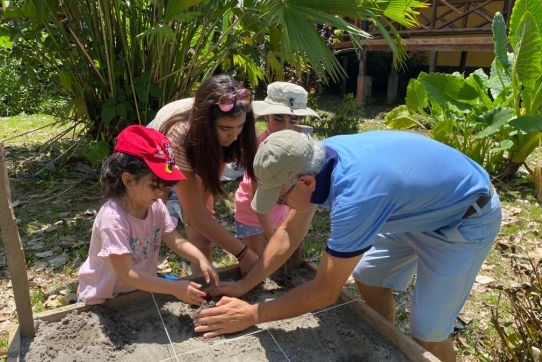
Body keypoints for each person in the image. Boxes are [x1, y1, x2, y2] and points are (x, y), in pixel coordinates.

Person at [193, 130, 502, 362]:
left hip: (463, 219)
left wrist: (252, 314)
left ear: (305, 183)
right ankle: (387, 346)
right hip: (410, 207)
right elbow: (289, 231)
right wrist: (246, 284)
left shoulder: (356, 200)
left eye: (281, 198)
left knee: (429, 333)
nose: (281, 205)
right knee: (369, 277)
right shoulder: (316, 158)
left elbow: (325, 290)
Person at [78, 125, 219, 305]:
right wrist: (175, 288)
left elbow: (175, 241)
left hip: (140, 289)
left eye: (164, 185)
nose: (161, 193)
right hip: (105, 298)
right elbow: (127, 274)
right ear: (128, 180)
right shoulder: (113, 220)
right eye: (154, 185)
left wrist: (200, 258)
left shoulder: (156, 207)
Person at [149, 75, 258, 276]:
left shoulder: (234, 126)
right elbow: (195, 214)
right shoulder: (179, 137)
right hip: (159, 145)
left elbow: (215, 166)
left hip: (199, 144)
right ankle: (145, 271)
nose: (234, 136)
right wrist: (244, 254)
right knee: (154, 214)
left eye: (239, 127)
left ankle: (205, 282)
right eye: (225, 128)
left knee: (202, 232)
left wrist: (206, 202)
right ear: (207, 123)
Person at [234, 82, 319, 256]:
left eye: (293, 119)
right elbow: (258, 201)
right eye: (278, 118)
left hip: (281, 212)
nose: (285, 126)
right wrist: (271, 236)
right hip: (252, 214)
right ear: (267, 117)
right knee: (256, 263)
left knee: (280, 264)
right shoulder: (260, 149)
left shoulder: (300, 146)